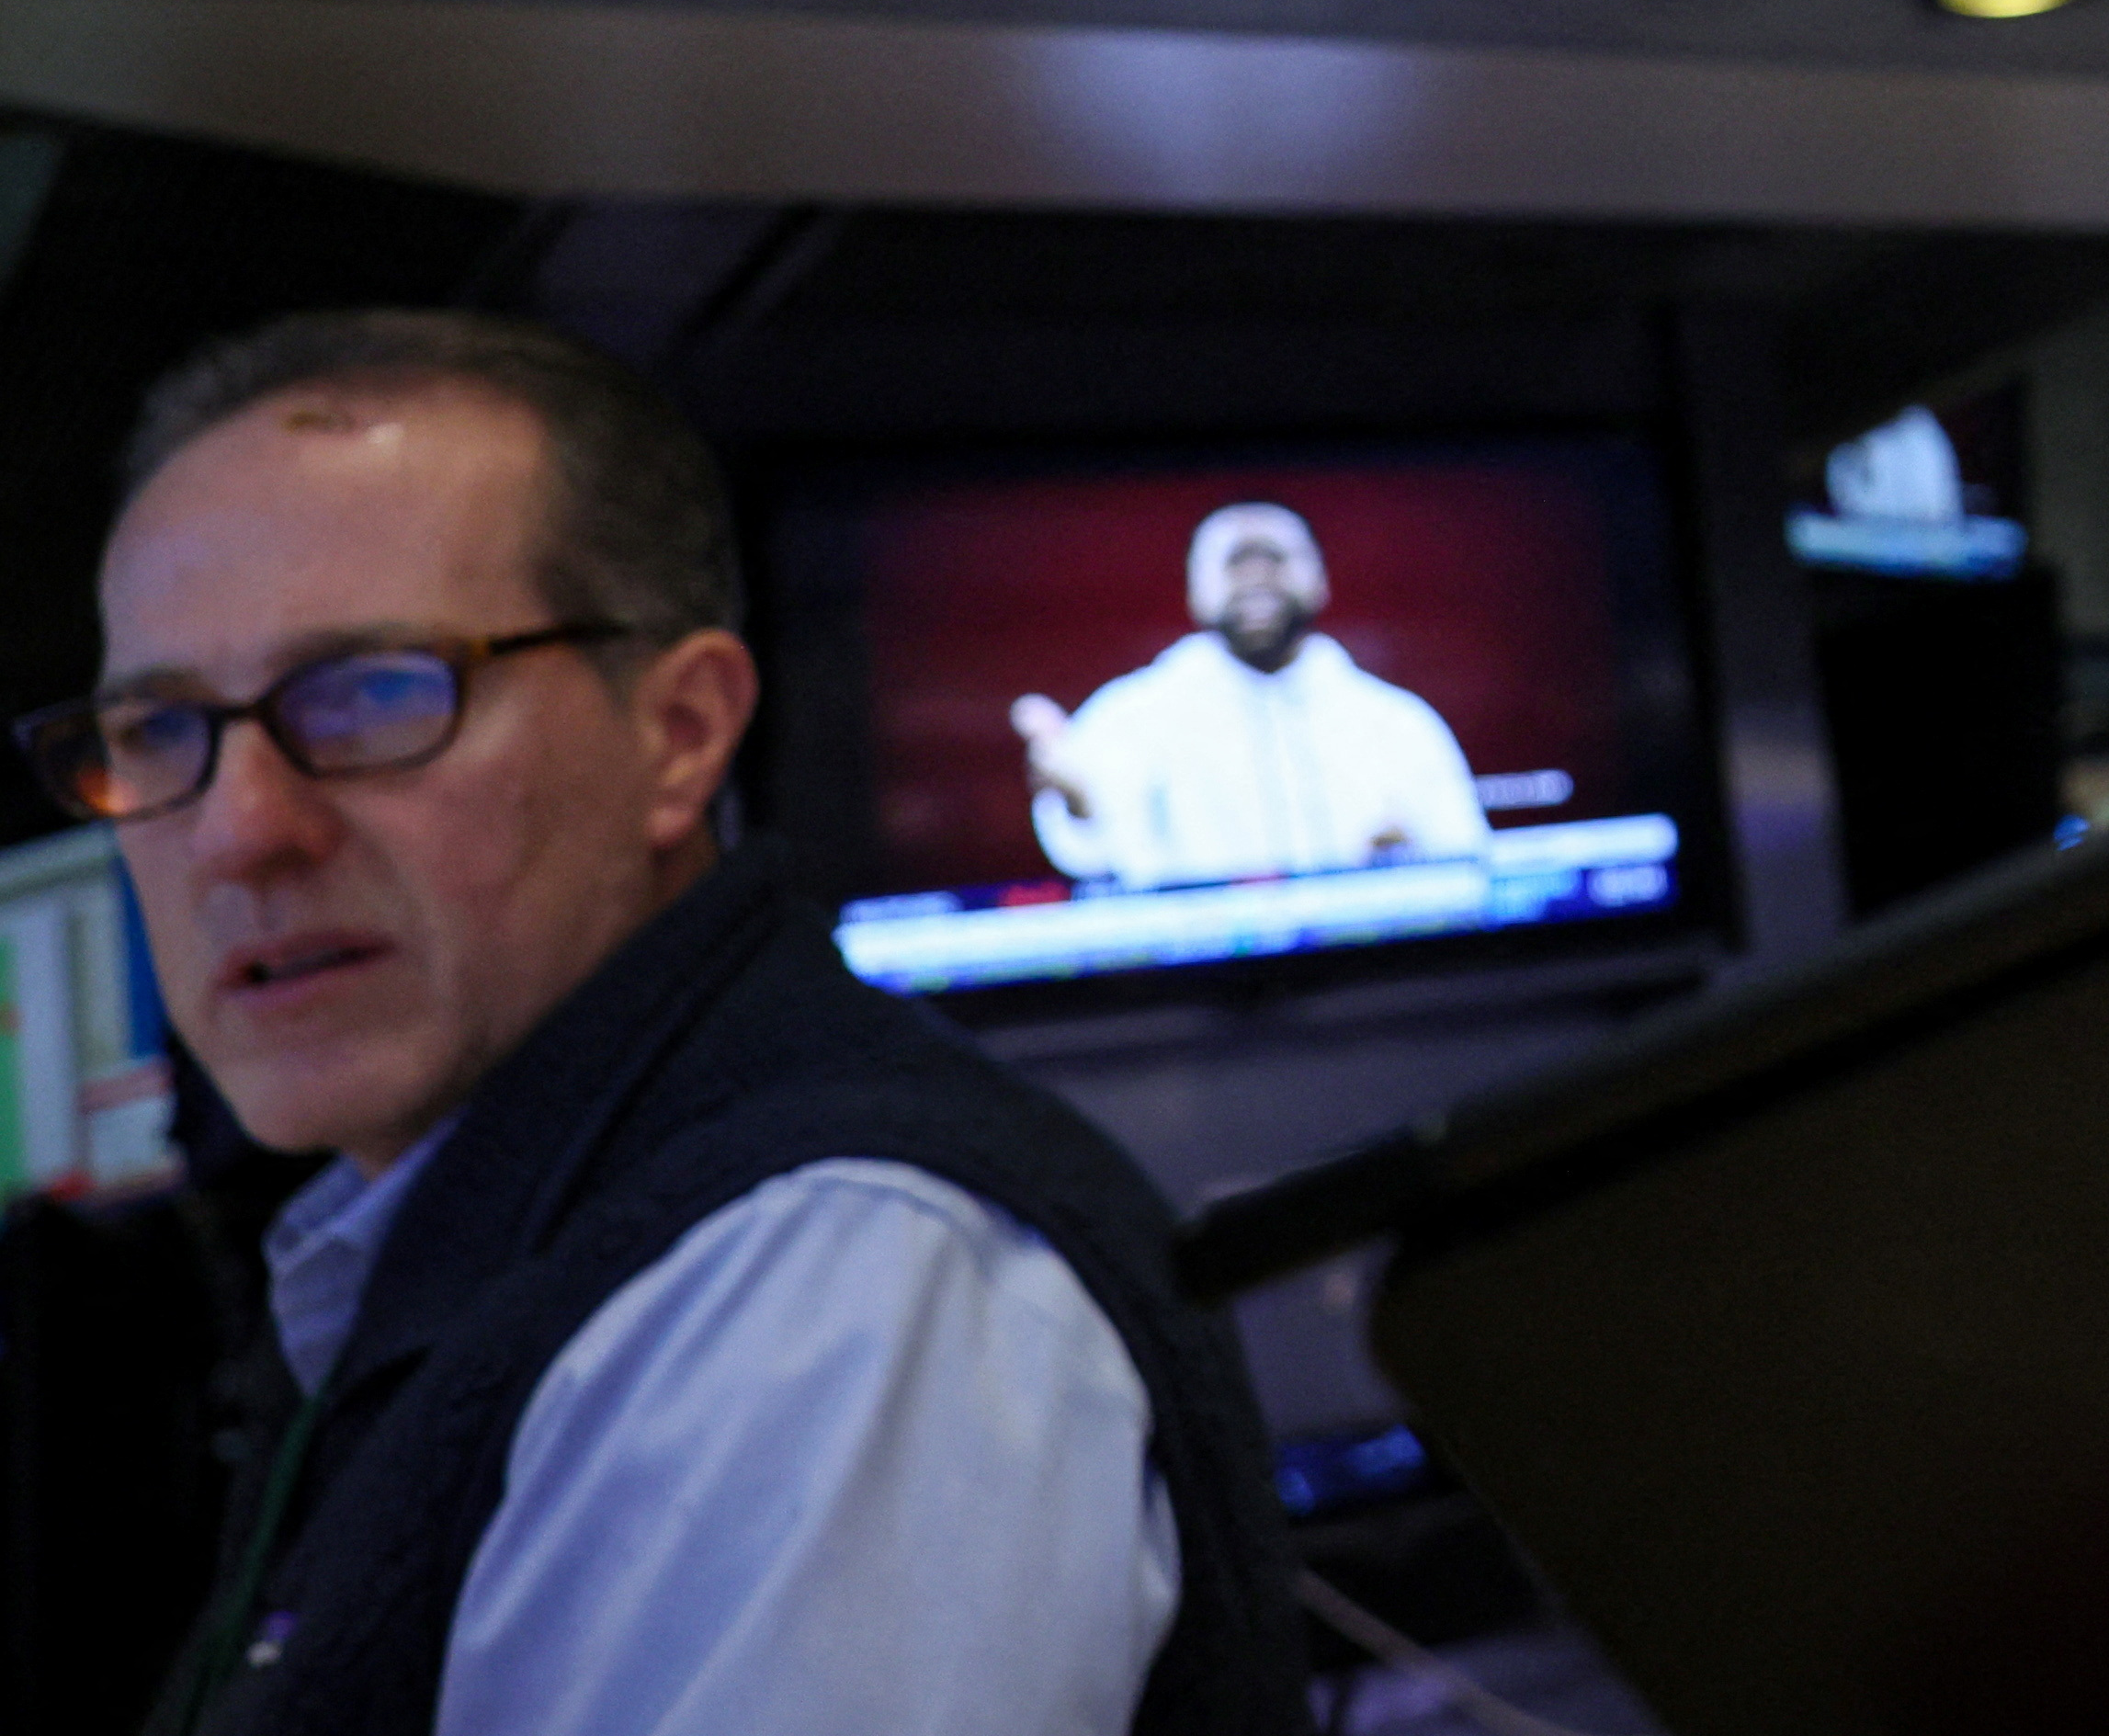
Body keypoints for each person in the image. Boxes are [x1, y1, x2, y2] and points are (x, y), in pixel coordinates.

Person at [27, 310, 1302, 1735]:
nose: (238, 833)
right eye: (157, 734)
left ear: (681, 733)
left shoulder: (826, 1281)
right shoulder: (441, 1235)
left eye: (375, 695)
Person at [1012, 500, 1487, 887]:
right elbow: (1091, 857)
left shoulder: (1398, 723)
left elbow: (1469, 868)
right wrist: (1079, 804)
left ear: (1321, 581)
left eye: (1276, 558)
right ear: (1196, 589)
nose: (1256, 576)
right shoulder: (1132, 714)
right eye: (1234, 561)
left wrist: (1409, 865)